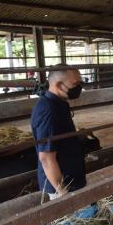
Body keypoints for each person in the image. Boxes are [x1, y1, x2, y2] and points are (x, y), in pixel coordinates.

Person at [31, 64, 86, 199]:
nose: (79, 87)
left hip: (71, 178)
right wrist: (62, 192)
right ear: (59, 85)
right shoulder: (48, 111)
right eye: (75, 83)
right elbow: (46, 157)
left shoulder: (59, 103)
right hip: (61, 186)